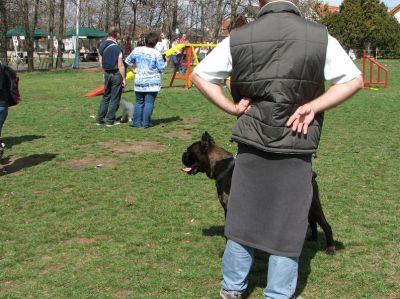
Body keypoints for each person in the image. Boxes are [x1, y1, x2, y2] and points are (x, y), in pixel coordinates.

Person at [190, 1, 363, 298]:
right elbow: (354, 80)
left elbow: (199, 76)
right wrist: (313, 106)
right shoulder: (321, 36)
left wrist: (232, 108)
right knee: (289, 221)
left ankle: (232, 288)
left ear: (260, 2)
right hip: (296, 141)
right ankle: (278, 294)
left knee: (242, 216)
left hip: (253, 140)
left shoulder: (239, 36)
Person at [125, 32, 166, 128]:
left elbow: (127, 61)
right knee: (149, 103)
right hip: (153, 82)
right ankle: (146, 123)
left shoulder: (137, 50)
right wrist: (166, 60)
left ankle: (137, 123)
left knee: (139, 102)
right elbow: (162, 69)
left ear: (145, 40)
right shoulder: (157, 53)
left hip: (139, 81)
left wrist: (133, 70)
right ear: (155, 43)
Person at [96, 26, 126, 127]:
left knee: (106, 97)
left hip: (107, 73)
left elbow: (100, 62)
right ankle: (110, 120)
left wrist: (104, 73)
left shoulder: (101, 45)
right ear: (116, 34)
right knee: (114, 98)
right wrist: (124, 78)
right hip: (116, 73)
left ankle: (99, 119)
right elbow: (120, 65)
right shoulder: (117, 48)